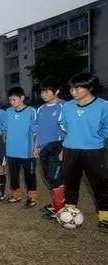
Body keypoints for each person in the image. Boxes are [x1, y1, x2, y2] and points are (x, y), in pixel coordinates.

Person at [59, 72, 108, 233]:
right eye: (72, 88)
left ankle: (105, 217)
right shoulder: (67, 106)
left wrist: (94, 139)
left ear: (90, 87)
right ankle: (69, 213)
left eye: (78, 88)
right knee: (70, 184)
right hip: (70, 150)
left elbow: (106, 128)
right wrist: (65, 147)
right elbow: (64, 126)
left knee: (100, 185)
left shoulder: (103, 106)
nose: (73, 92)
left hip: (94, 151)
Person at [33, 76, 66, 218]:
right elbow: (38, 129)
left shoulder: (65, 106)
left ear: (57, 91)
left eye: (47, 91)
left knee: (55, 177)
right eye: (42, 92)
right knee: (48, 177)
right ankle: (57, 204)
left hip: (59, 146)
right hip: (43, 147)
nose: (44, 94)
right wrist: (36, 146)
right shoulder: (40, 109)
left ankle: (59, 210)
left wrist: (65, 149)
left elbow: (72, 129)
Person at [4, 87, 38, 207]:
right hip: (11, 151)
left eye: (14, 99)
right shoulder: (8, 112)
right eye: (10, 100)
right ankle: (16, 195)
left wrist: (35, 147)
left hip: (27, 151)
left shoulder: (31, 111)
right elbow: (5, 130)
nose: (11, 102)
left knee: (30, 174)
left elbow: (36, 131)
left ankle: (32, 197)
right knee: (13, 175)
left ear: (22, 98)